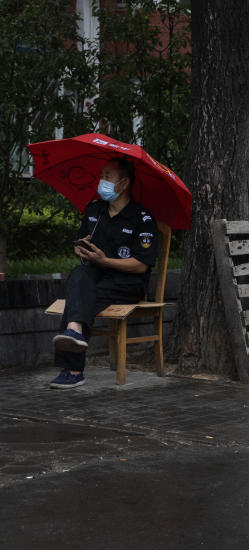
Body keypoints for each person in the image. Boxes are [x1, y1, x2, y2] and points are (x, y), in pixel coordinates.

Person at [50, 158, 158, 388]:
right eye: (102, 176)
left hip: (127, 282)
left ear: (124, 182)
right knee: (79, 273)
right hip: (95, 274)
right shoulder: (94, 210)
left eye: (108, 176)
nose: (102, 181)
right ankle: (74, 331)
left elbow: (141, 264)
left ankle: (73, 369)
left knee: (81, 295)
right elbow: (79, 243)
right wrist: (79, 247)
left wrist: (105, 260)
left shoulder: (142, 218)